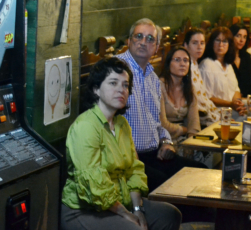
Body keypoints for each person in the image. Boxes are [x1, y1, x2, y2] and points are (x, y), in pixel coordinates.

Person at [61, 57, 181, 230]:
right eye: (113, 83)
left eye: (125, 85)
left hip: (120, 202)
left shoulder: (122, 124)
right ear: (96, 89)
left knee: (170, 215)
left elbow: (134, 169)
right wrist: (127, 214)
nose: (121, 90)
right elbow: (94, 185)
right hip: (86, 209)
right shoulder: (85, 126)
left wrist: (138, 209)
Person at [117, 18, 206, 192]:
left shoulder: (152, 78)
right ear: (129, 41)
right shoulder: (117, 69)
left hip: (155, 153)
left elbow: (158, 122)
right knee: (168, 185)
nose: (143, 42)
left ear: (157, 47)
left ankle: (200, 220)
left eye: (150, 39)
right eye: (139, 37)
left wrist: (166, 142)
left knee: (200, 173)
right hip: (129, 157)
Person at [199, 27, 246, 117]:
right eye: (217, 40)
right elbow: (206, 98)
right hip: (215, 114)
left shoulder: (228, 65)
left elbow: (235, 89)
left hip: (230, 111)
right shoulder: (207, 65)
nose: (221, 45)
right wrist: (230, 104)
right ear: (212, 43)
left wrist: (237, 104)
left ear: (229, 45)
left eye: (224, 41)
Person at [159, 47, 200, 138]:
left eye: (186, 60)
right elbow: (162, 124)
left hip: (185, 138)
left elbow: (194, 122)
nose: (182, 64)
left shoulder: (189, 87)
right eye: (177, 60)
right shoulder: (159, 87)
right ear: (168, 64)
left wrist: (191, 140)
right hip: (165, 138)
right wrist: (184, 130)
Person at [183, 28, 220, 127]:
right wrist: (217, 119)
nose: (199, 47)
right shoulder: (185, 66)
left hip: (207, 114)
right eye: (195, 43)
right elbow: (197, 103)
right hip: (197, 119)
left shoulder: (195, 63)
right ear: (186, 45)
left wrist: (220, 116)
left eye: (202, 43)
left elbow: (204, 99)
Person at [230, 23, 251, 96]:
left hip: (247, 101)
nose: (242, 40)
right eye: (238, 36)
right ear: (231, 37)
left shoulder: (247, 57)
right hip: (231, 100)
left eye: (244, 37)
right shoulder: (226, 58)